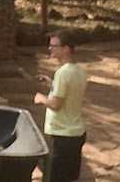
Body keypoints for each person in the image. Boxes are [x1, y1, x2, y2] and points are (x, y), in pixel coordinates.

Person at [34, 30, 87, 182]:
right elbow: (70, 93)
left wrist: (42, 98)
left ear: (66, 48)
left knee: (53, 178)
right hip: (76, 133)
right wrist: (53, 84)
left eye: (53, 46)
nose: (50, 49)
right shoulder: (80, 70)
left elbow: (56, 105)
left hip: (62, 136)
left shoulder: (62, 74)